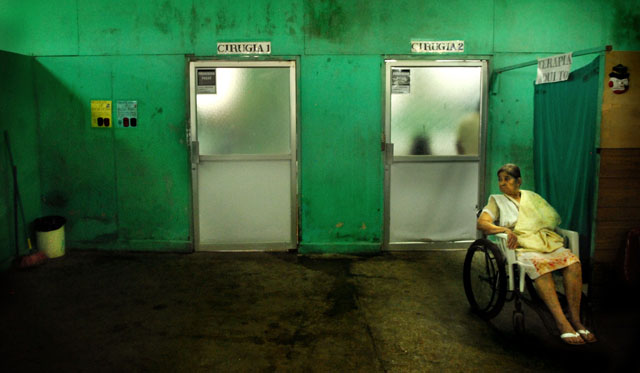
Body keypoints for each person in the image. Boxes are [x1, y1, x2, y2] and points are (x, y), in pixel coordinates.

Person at [476, 163, 597, 345]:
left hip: (544, 241)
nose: (502, 183)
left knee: (573, 264)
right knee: (543, 269)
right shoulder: (496, 200)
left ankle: (576, 319)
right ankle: (562, 323)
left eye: (506, 179)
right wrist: (504, 230)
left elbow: (549, 219)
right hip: (522, 245)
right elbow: (482, 223)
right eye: (500, 180)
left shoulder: (531, 197)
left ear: (519, 181)